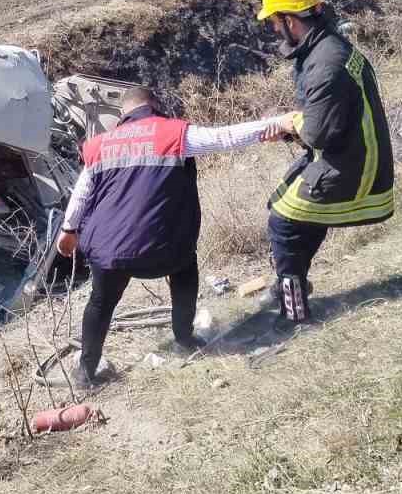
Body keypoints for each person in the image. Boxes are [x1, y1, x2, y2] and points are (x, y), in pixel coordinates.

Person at [54, 89, 293, 386]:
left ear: (122, 114)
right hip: (164, 251)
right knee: (185, 270)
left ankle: (85, 372)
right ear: (155, 106)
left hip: (108, 252)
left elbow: (81, 193)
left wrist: (68, 231)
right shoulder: (173, 132)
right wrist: (276, 124)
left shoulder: (100, 145)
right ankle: (184, 337)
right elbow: (224, 137)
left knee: (100, 303)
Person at [255, 0, 395, 326]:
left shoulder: (325, 64)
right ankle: (291, 281)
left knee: (283, 224)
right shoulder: (327, 46)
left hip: (354, 166)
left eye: (274, 21)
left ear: (289, 20)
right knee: (291, 209)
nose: (273, 30)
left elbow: (317, 133)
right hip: (351, 153)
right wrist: (296, 125)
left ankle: (294, 313)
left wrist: (291, 125)